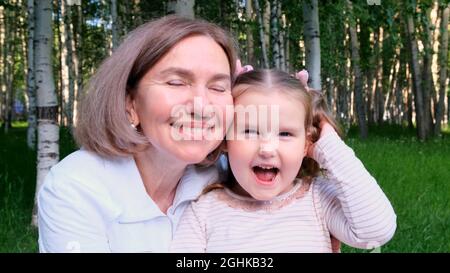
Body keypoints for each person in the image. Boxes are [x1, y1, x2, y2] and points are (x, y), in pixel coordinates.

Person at [37, 15, 238, 252]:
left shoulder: (224, 174)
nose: (202, 106)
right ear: (130, 103)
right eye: (176, 82)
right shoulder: (75, 188)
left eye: (218, 87)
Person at [170, 69, 397, 252]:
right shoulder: (205, 211)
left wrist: (329, 145)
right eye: (249, 131)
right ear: (226, 139)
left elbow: (375, 232)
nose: (267, 149)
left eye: (285, 134)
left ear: (307, 143)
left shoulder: (317, 199)